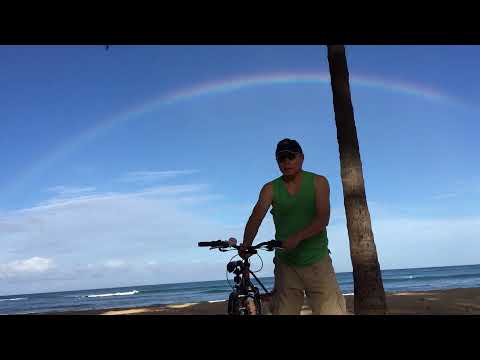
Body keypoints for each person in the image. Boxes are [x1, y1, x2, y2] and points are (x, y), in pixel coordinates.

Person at [239, 138, 347, 315]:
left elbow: (322, 219)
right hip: (286, 264)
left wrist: (298, 237)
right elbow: (256, 217)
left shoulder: (319, 182)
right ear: (277, 162)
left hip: (317, 261)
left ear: (301, 157)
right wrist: (246, 244)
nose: (287, 162)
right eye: (282, 158)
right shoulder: (270, 188)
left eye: (291, 156)